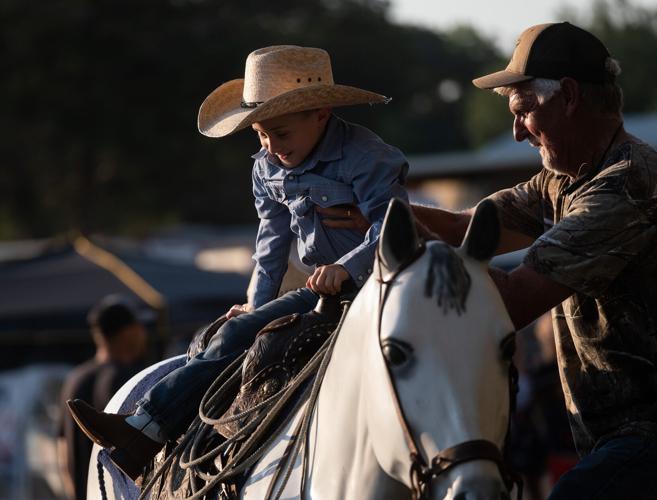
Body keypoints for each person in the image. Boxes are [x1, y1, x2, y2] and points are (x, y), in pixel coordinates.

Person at [66, 45, 408, 481]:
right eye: (261, 134)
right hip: (322, 291)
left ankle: (143, 430)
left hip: (380, 282)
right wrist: (256, 304)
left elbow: (394, 229)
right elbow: (271, 244)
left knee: (239, 333)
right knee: (232, 331)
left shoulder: (369, 157)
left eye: (280, 133)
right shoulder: (267, 166)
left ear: (320, 113)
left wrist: (348, 266)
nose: (271, 146)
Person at [407, 22, 657, 499]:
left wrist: (407, 248)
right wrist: (375, 210)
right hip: (613, 439)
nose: (517, 132)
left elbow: (515, 300)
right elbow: (469, 228)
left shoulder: (629, 185)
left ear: (567, 96)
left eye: (523, 111)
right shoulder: (563, 180)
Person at [58, 296, 147, 499]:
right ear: (127, 332)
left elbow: (62, 450)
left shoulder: (75, 378)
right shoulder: (130, 379)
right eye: (140, 327)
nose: (144, 334)